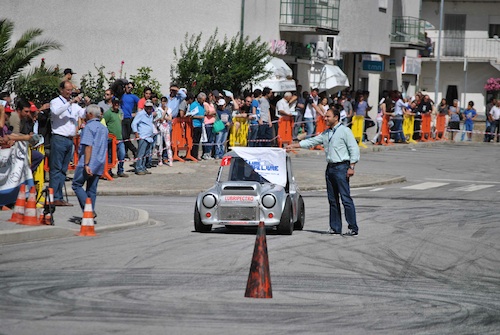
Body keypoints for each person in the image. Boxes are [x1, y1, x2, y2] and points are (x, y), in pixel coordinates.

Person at [286, 108, 360, 236]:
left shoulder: (345, 131)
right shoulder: (327, 133)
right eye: (325, 116)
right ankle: (335, 227)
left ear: (336, 118)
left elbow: (354, 149)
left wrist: (351, 166)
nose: (325, 119)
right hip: (330, 168)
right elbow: (312, 141)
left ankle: (353, 227)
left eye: (328, 116)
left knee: (345, 198)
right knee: (332, 199)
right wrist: (294, 145)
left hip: (342, 167)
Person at [49, 80, 87, 206]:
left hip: (69, 139)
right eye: (68, 90)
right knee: (56, 169)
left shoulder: (74, 106)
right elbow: (56, 112)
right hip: (59, 137)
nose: (70, 92)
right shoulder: (55, 102)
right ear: (61, 90)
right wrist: (70, 102)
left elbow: (83, 113)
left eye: (71, 90)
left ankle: (59, 196)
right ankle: (53, 196)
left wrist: (87, 104)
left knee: (63, 170)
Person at [71, 104, 108, 215]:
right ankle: (89, 211)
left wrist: (86, 164)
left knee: (76, 185)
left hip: (87, 161)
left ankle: (88, 209)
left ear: (90, 114)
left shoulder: (89, 127)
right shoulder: (103, 128)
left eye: (86, 113)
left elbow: (88, 146)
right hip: (99, 161)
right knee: (91, 189)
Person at [103, 97, 128, 177]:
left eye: (118, 103)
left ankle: (120, 170)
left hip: (119, 138)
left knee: (122, 154)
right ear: (112, 103)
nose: (117, 104)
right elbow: (103, 123)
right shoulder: (108, 113)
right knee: (110, 155)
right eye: (115, 103)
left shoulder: (120, 112)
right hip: (111, 139)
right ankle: (109, 171)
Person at [131, 99, 155, 175]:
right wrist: (136, 133)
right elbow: (134, 123)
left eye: (150, 107)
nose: (149, 109)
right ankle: (138, 168)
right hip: (143, 136)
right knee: (141, 153)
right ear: (144, 107)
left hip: (149, 137)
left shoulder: (151, 114)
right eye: (147, 107)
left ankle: (143, 167)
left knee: (146, 154)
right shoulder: (140, 114)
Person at [120, 81, 139, 160]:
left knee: (126, 137)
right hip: (121, 118)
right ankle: (133, 150)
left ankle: (126, 153)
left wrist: (136, 113)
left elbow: (141, 103)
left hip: (129, 118)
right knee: (124, 136)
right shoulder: (120, 96)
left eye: (131, 88)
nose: (129, 89)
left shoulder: (133, 97)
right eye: (128, 87)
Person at [188, 92, 206, 160]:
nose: (203, 101)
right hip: (195, 124)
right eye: (202, 100)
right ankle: (193, 155)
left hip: (201, 124)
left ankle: (196, 154)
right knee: (195, 140)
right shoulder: (194, 104)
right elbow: (191, 115)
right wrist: (199, 117)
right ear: (199, 98)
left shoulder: (202, 105)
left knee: (198, 140)